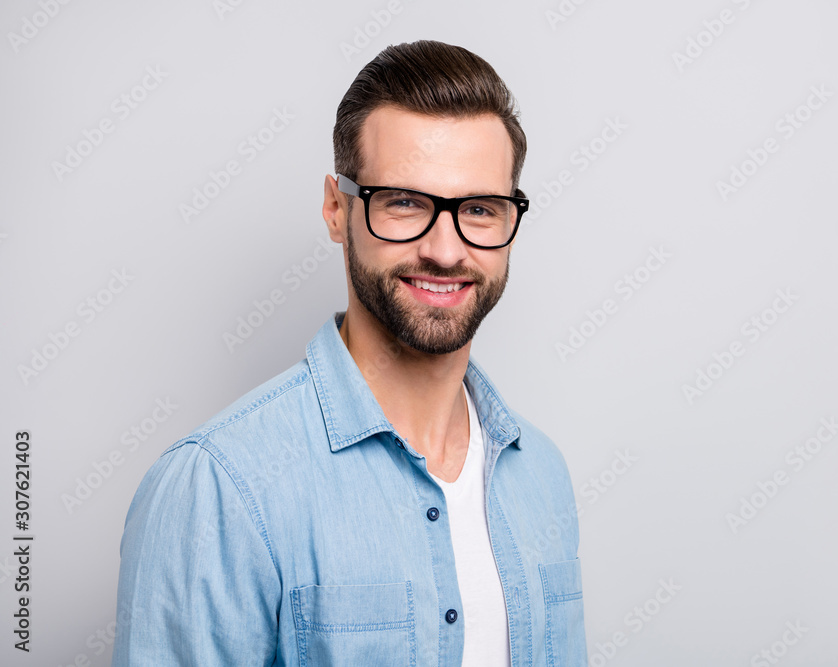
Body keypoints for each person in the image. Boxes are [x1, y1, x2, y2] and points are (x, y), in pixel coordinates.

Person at [112, 40, 586, 666]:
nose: (446, 251)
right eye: (406, 203)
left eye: (478, 209)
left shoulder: (542, 475)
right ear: (338, 209)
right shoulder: (218, 488)